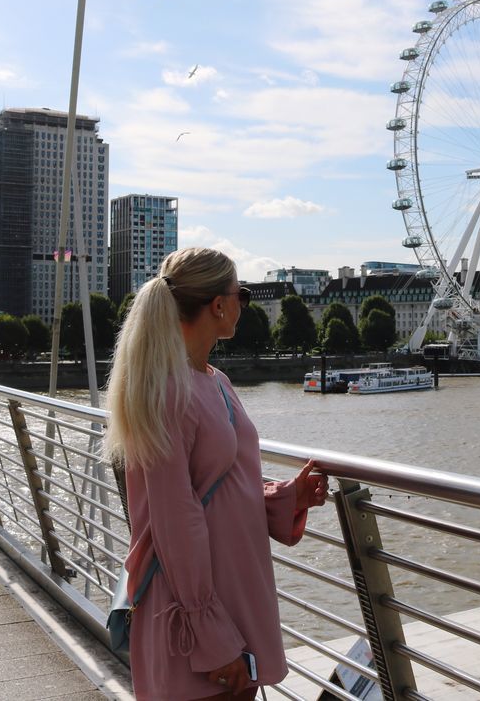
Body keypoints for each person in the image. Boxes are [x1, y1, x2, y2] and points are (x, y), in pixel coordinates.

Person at [106, 247, 328, 700]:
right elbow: (175, 521)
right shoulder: (168, 391)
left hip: (230, 595)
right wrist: (212, 636)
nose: (243, 305)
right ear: (218, 304)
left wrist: (289, 495)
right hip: (195, 619)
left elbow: (223, 488)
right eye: (240, 294)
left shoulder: (214, 380)